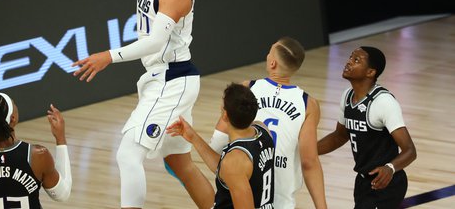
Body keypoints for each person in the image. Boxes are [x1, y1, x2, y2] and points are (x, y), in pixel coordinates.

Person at [62, 0, 214, 209]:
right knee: (179, 162)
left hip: (172, 81)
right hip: (159, 78)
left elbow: (155, 44)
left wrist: (108, 57)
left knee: (128, 154)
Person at [209, 37, 328, 209]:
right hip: (281, 200)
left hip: (244, 192)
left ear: (272, 63)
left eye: (269, 52)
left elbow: (218, 143)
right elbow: (309, 162)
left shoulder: (247, 88)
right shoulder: (308, 103)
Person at [318, 46, 417, 208]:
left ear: (370, 72)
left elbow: (410, 151)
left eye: (356, 60)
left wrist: (390, 168)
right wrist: (307, 150)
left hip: (386, 182)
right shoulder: (347, 96)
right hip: (363, 181)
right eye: (350, 57)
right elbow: (340, 136)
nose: (349, 62)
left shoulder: (384, 102)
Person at [167, 83, 275, 209]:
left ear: (225, 115)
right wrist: (193, 137)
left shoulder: (234, 161)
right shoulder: (263, 130)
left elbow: (233, 169)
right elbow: (227, 171)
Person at [0, 93, 72, 209]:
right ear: (13, 119)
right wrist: (60, 138)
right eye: (14, 104)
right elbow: (62, 195)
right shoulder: (38, 156)